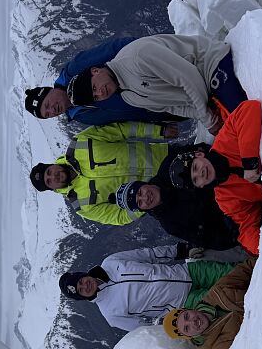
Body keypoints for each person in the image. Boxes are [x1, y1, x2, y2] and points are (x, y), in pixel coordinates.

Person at [64, 33, 247, 135]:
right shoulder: (128, 95)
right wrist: (206, 117)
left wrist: (207, 118)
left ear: (95, 70)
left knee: (242, 119)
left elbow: (188, 76)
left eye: (94, 87)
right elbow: (173, 106)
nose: (101, 93)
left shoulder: (136, 57)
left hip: (211, 64)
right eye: (96, 97)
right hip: (207, 93)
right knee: (230, 141)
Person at [29, 121, 179, 226]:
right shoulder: (82, 205)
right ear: (53, 189)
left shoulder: (80, 143)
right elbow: (119, 217)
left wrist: (158, 131)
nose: (53, 176)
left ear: (52, 165)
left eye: (49, 171)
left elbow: (122, 130)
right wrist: (144, 205)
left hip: (166, 156)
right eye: (49, 181)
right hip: (163, 197)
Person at [58, 245, 237, 332]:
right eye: (81, 290)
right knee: (228, 297)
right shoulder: (110, 314)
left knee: (237, 274)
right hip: (185, 304)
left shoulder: (111, 262)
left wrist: (181, 250)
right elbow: (142, 329)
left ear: (82, 275)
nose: (84, 286)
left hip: (187, 271)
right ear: (83, 297)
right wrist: (165, 324)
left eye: (80, 281)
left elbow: (148, 255)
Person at [166, 100, 262, 255]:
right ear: (200, 186)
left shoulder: (224, 141)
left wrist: (250, 163)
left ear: (199, 155)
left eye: (196, 167)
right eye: (196, 179)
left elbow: (249, 108)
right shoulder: (224, 198)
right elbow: (246, 226)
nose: (201, 173)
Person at [23, 37, 187, 127]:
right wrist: (159, 124)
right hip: (162, 109)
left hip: (160, 76)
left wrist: (154, 54)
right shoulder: (81, 116)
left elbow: (116, 47)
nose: (52, 111)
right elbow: (122, 123)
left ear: (48, 91)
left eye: (47, 105)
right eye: (48, 115)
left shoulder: (75, 69)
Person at [113, 179, 248, 259]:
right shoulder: (170, 223)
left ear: (143, 184)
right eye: (140, 203)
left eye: (140, 192)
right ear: (142, 209)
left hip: (239, 187)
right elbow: (212, 239)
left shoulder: (169, 172)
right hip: (240, 222)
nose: (145, 198)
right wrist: (235, 230)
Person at [162, 258, 256, 349]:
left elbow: (246, 268)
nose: (192, 322)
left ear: (189, 309)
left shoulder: (217, 293)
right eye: (186, 328)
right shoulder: (220, 347)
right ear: (190, 337)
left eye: (186, 316)